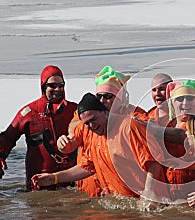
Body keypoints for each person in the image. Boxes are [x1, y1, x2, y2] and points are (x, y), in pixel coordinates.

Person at [31, 93, 166, 204]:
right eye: (87, 123)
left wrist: (149, 193)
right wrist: (54, 178)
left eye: (93, 119)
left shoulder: (129, 127)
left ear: (105, 113)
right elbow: (88, 167)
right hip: (121, 203)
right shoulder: (95, 135)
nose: (91, 126)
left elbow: (154, 162)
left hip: (148, 202)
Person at [57, 65, 147, 197]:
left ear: (120, 98)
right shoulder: (88, 117)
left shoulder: (134, 118)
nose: (102, 101)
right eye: (98, 96)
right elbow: (73, 137)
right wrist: (64, 142)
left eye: (108, 96)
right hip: (93, 189)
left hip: (128, 192)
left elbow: (151, 158)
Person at [0, 65, 77, 190]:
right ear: (43, 86)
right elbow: (8, 136)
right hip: (38, 185)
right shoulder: (29, 112)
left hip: (71, 183)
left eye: (61, 85)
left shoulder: (74, 111)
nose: (58, 89)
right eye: (53, 86)